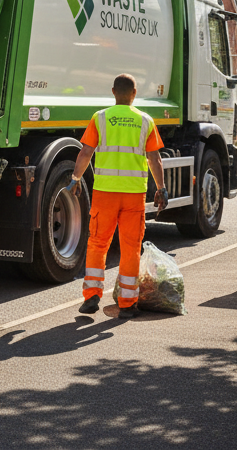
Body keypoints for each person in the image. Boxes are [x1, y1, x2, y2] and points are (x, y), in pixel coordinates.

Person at [69, 74, 167, 319]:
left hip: (105, 193)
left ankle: (92, 295)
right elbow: (154, 158)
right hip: (134, 195)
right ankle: (126, 303)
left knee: (98, 243)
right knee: (131, 248)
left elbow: (85, 153)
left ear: (113, 92)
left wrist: (75, 178)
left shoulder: (100, 118)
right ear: (134, 93)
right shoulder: (146, 120)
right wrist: (161, 188)